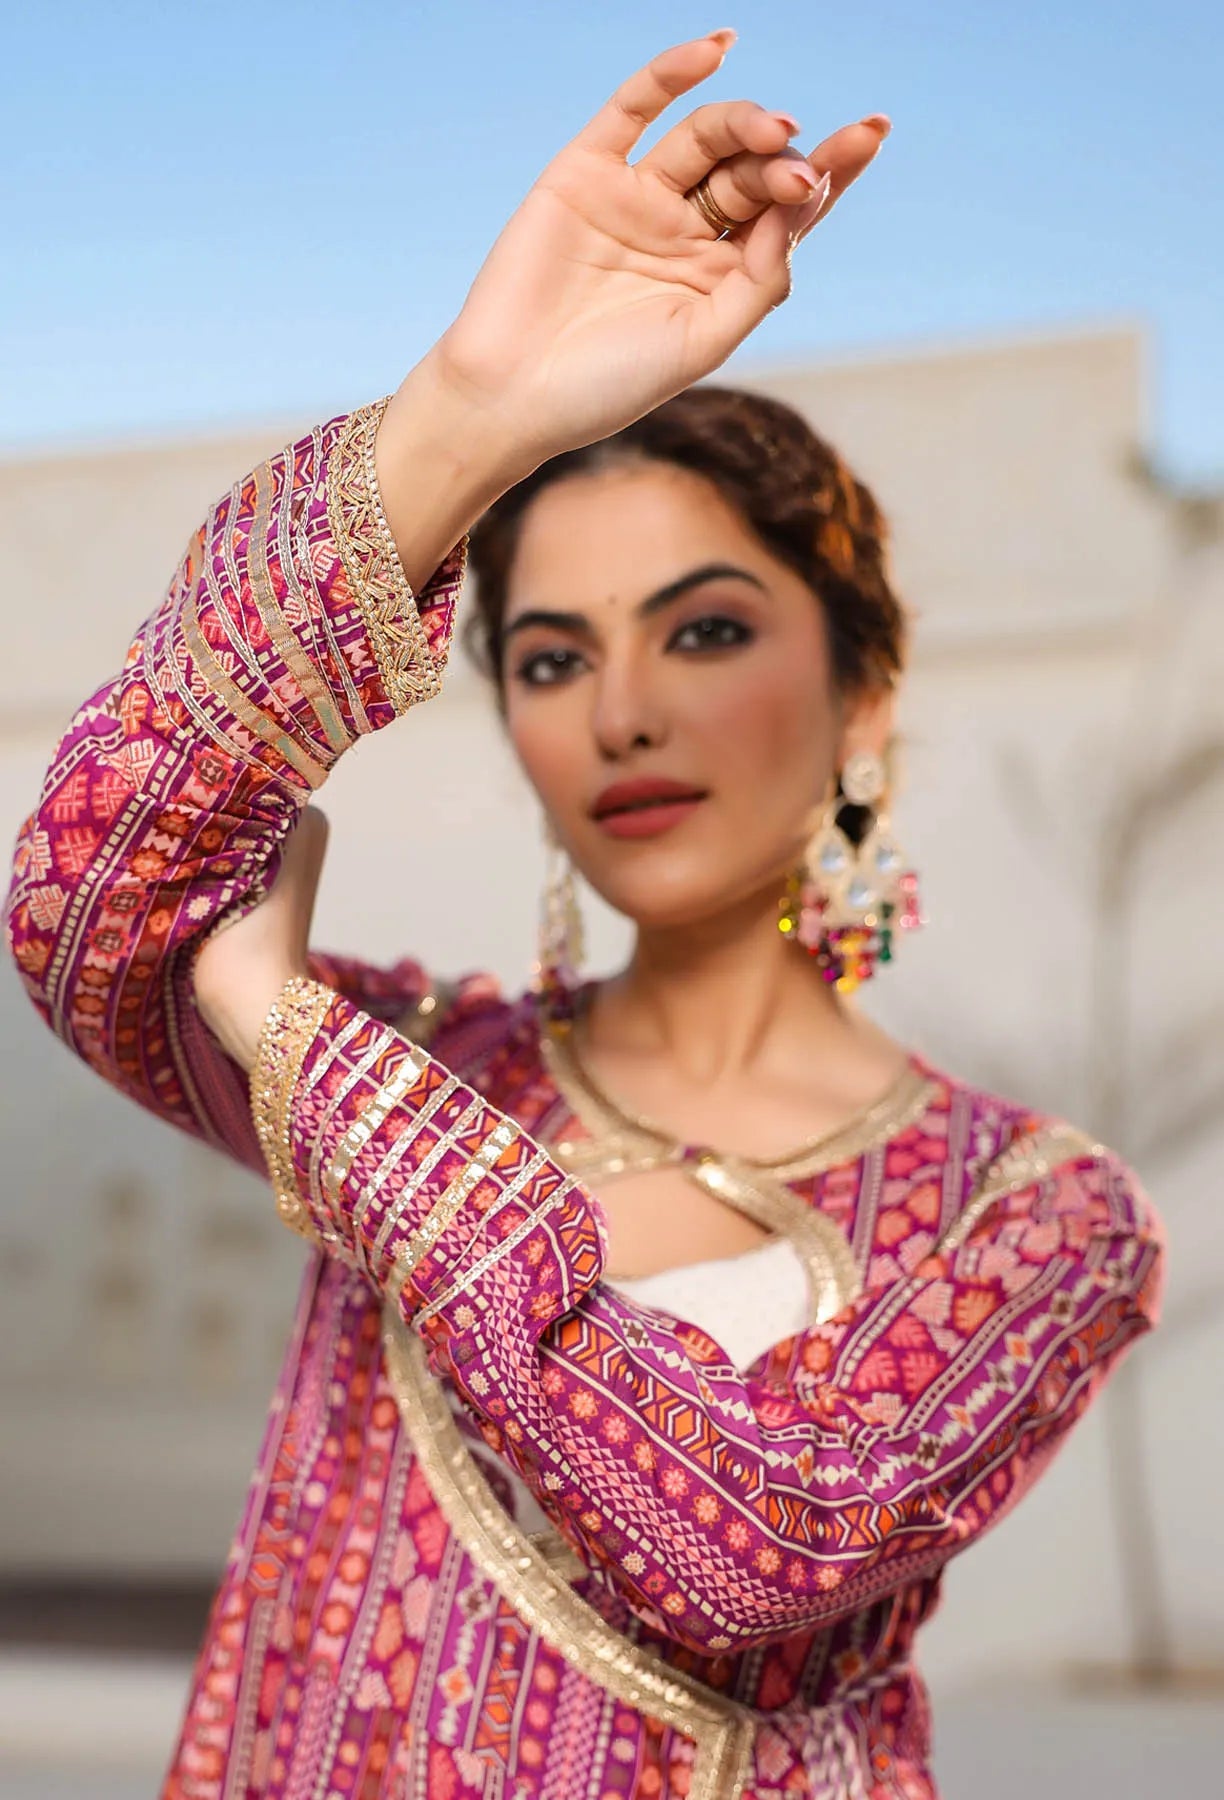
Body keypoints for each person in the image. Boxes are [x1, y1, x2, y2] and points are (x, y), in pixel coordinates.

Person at [5, 31, 1163, 1800]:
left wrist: (292, 1032)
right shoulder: (442, 1058)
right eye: (554, 657)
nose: (622, 709)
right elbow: (82, 889)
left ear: (863, 701)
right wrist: (467, 413)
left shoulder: (1037, 1209)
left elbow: (762, 1542)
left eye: (704, 630)